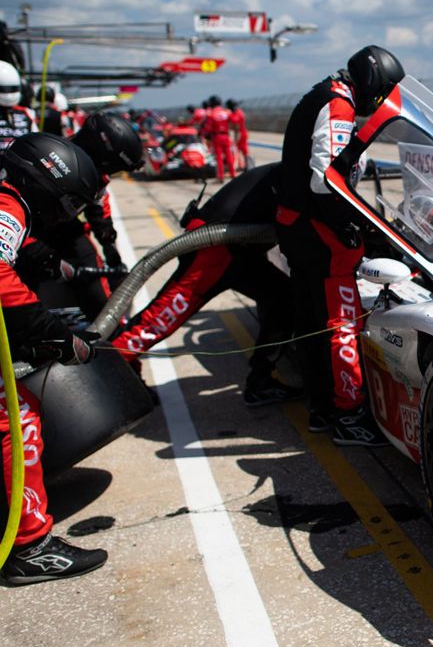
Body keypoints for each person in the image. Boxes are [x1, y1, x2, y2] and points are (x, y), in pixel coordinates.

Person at [273, 44, 404, 447]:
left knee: (312, 321)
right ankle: (347, 414)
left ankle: (323, 408)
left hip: (297, 225)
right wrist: (347, 226)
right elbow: (324, 180)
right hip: (316, 232)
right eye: (380, 92)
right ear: (369, 81)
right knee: (341, 321)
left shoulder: (324, 92)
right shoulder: (339, 104)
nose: (378, 101)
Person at [0, 132, 108, 584]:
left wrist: (50, 263)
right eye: (66, 202)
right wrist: (53, 333)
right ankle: (30, 546)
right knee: (15, 414)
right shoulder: (8, 206)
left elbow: (18, 248)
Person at [109, 162, 301, 406]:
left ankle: (260, 383)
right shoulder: (301, 173)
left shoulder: (294, 168)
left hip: (235, 250)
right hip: (214, 249)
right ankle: (95, 379)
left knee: (284, 301)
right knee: (156, 324)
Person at [15, 113, 143, 319]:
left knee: (95, 279)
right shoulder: (47, 157)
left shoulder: (96, 176)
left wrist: (108, 240)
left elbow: (98, 205)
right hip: (23, 232)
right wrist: (33, 247)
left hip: (63, 229)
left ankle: (106, 329)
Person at [0, 60, 37, 151]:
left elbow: (36, 141)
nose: (8, 93)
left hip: (19, 162)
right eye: (4, 89)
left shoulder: (27, 113)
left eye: (12, 88)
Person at [201, 95, 235, 182]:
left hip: (217, 136)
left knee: (219, 157)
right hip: (226, 135)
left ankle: (220, 176)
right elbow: (233, 121)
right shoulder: (226, 112)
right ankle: (233, 174)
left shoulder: (211, 114)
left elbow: (208, 128)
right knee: (229, 156)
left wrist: (204, 134)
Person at [227, 99, 250, 174]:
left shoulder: (237, 114)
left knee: (241, 150)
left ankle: (245, 165)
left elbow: (236, 125)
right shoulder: (239, 112)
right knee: (240, 150)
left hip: (240, 133)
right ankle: (243, 165)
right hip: (241, 132)